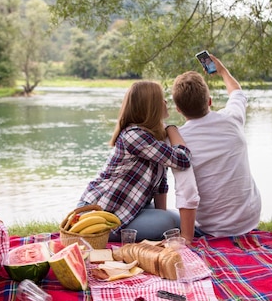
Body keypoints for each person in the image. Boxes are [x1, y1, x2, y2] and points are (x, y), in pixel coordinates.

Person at [77, 80, 192, 241]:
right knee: (170, 223)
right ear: (150, 106)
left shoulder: (154, 137)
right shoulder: (134, 135)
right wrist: (172, 129)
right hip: (103, 214)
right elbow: (183, 159)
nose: (166, 102)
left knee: (178, 222)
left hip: (131, 207)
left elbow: (161, 186)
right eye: (161, 99)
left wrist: (161, 213)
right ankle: (106, 235)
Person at [171, 53, 262, 240]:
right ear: (210, 101)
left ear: (178, 110)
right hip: (249, 220)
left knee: (166, 220)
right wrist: (222, 71)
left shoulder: (177, 140)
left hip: (210, 227)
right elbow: (237, 91)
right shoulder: (232, 118)